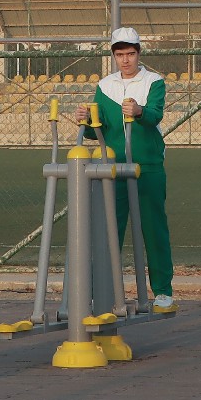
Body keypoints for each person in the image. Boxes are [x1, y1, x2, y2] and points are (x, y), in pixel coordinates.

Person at [76, 26, 173, 313]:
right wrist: (84, 120)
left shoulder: (154, 81)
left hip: (147, 166)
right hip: (113, 167)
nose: (126, 60)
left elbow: (155, 114)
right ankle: (103, 292)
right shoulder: (105, 85)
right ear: (114, 56)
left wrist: (139, 111)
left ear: (139, 53)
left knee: (154, 230)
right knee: (109, 230)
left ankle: (163, 292)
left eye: (130, 53)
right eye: (120, 55)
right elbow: (98, 130)